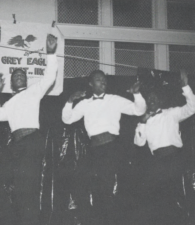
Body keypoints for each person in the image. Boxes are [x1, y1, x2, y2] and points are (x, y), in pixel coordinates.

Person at [0, 34, 58, 225]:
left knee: (27, 190)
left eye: (22, 75)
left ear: (26, 81)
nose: (19, 76)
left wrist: (50, 53)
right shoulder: (10, 102)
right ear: (11, 83)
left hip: (31, 141)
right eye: (15, 75)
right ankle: (9, 221)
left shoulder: (33, 92)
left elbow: (50, 77)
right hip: (16, 146)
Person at [62, 70, 146, 225]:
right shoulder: (85, 104)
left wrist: (137, 94)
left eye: (104, 80)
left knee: (108, 189)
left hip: (111, 147)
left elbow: (138, 110)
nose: (103, 82)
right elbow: (67, 119)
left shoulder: (114, 100)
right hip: (94, 150)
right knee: (93, 187)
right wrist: (69, 100)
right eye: (99, 80)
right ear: (91, 84)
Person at [134, 70, 195, 225]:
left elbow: (192, 107)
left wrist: (186, 87)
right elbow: (139, 143)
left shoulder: (171, 113)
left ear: (160, 100)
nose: (152, 100)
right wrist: (142, 122)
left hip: (175, 159)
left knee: (179, 196)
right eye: (149, 98)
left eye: (155, 98)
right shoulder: (144, 122)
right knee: (160, 200)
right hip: (157, 163)